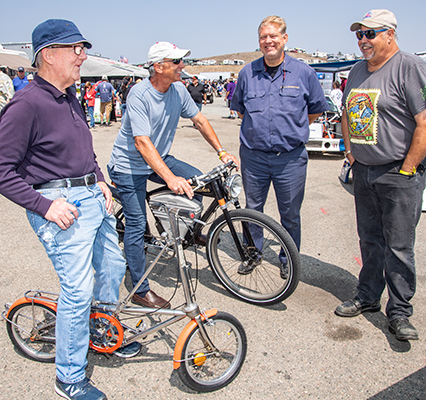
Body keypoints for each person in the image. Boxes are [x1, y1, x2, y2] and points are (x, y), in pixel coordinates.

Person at [0, 19, 139, 400]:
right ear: (47, 55)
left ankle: (100, 330)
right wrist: (44, 206)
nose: (83, 56)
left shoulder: (70, 95)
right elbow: (2, 169)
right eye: (74, 49)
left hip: (90, 197)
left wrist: (98, 178)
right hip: (60, 206)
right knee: (78, 291)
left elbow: (81, 147)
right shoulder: (26, 103)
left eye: (83, 48)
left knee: (113, 267)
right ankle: (69, 378)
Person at [108, 41, 238, 309]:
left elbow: (200, 121)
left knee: (203, 183)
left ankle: (188, 231)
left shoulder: (178, 89)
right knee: (135, 223)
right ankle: (140, 290)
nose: (182, 66)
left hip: (160, 156)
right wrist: (169, 178)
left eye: (182, 61)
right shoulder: (139, 95)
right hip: (129, 165)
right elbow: (142, 142)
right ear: (158, 67)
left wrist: (221, 151)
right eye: (176, 62)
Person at [335, 9, 426, 342]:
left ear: (390, 34)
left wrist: (408, 167)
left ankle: (400, 312)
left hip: (397, 173)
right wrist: (349, 151)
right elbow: (346, 112)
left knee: (399, 246)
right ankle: (368, 296)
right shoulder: (357, 70)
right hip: (364, 171)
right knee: (369, 239)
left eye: (370, 34)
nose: (362, 41)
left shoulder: (411, 67)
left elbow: (424, 122)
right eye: (359, 35)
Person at [231, 15, 328, 277]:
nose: (268, 41)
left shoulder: (304, 73)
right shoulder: (247, 73)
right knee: (252, 210)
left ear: (285, 39)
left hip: (290, 159)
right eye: (263, 37)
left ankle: (289, 257)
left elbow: (315, 110)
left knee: (290, 214)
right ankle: (253, 253)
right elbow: (241, 111)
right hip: (254, 158)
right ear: (259, 41)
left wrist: (291, 131)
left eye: (273, 36)